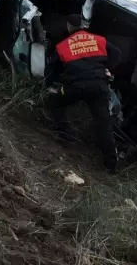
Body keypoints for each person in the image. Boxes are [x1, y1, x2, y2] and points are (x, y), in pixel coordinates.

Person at [44, 14, 121, 173]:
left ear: (69, 26)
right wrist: (108, 69)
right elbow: (117, 54)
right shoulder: (99, 40)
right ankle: (111, 166)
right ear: (83, 25)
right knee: (104, 125)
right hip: (99, 86)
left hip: (75, 87)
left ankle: (65, 136)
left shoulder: (63, 45)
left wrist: (50, 84)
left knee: (55, 103)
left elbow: (51, 70)